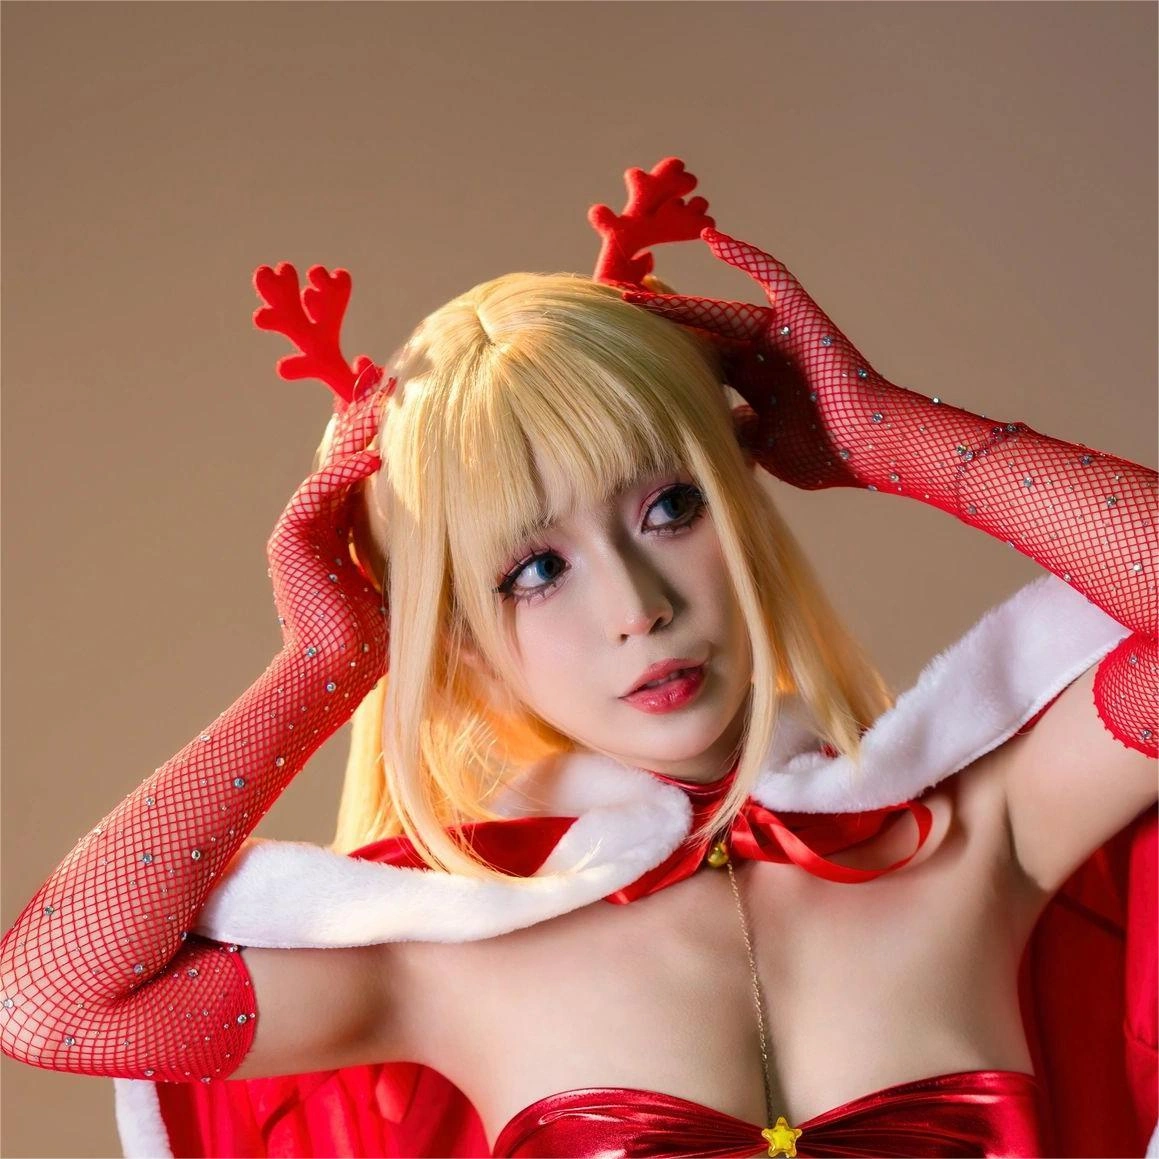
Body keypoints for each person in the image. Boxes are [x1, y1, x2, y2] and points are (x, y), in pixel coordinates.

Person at [1, 157, 1154, 1159]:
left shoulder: (984, 835)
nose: (637, 608)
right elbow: (50, 1001)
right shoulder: (447, 961)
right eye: (536, 569)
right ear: (453, 631)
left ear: (744, 501)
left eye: (669, 508)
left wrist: (887, 433)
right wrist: (323, 665)